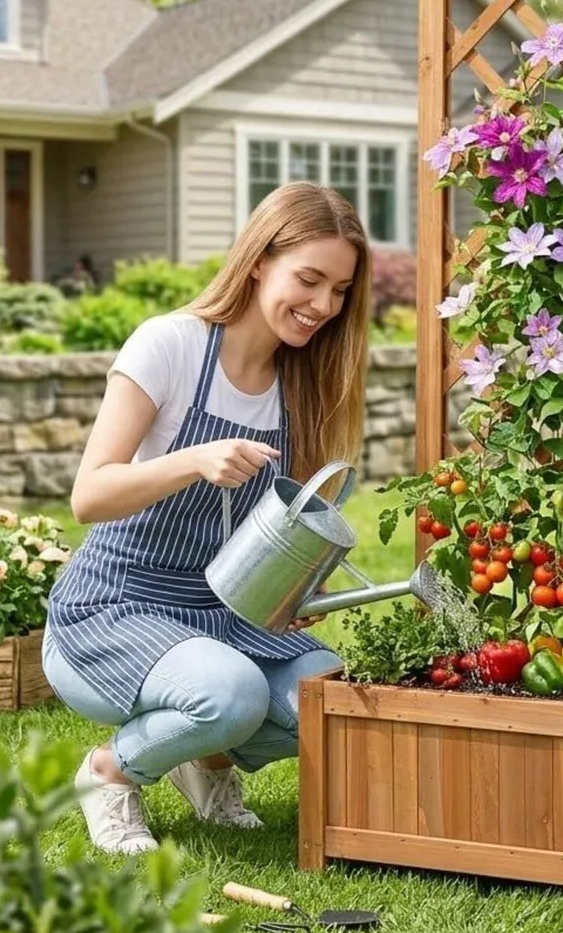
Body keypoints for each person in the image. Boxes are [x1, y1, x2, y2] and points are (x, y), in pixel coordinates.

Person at [42, 182, 371, 853]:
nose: (323, 307)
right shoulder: (172, 346)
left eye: (339, 291)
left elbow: (273, 533)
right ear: (258, 260)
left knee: (324, 699)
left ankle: (207, 760)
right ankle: (109, 773)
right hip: (114, 607)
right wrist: (194, 460)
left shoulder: (300, 388)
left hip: (224, 615)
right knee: (233, 693)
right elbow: (89, 495)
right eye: (309, 280)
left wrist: (300, 591)